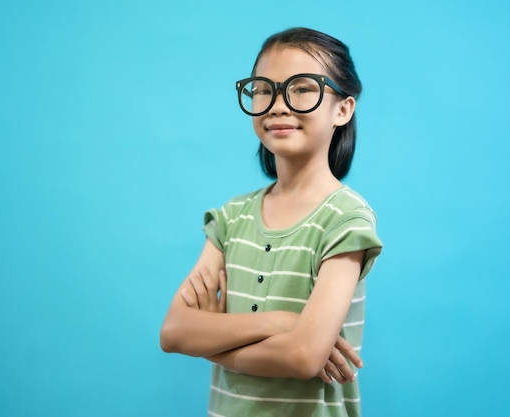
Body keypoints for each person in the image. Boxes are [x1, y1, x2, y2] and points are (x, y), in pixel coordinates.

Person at [160, 27, 383, 417]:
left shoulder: (346, 219)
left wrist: (212, 343)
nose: (277, 105)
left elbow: (303, 357)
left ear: (343, 109)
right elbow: (175, 332)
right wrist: (281, 323)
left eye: (301, 88)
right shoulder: (231, 218)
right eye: (264, 89)